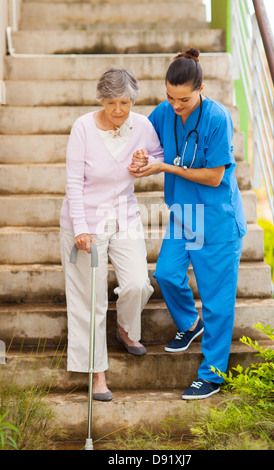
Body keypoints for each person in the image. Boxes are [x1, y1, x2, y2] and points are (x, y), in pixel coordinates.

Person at [129, 48, 247, 399]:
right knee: (165, 273)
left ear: (201, 88)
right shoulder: (165, 111)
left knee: (216, 302)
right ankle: (189, 324)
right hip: (185, 215)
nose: (175, 105)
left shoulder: (217, 117)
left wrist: (163, 168)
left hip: (217, 220)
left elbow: (213, 177)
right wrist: (142, 157)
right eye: (169, 96)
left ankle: (212, 374)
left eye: (183, 98)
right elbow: (148, 143)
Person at [60, 68, 164, 401]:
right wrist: (80, 228)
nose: (118, 110)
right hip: (86, 222)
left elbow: (158, 157)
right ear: (100, 100)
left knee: (137, 283)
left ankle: (124, 329)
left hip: (124, 216)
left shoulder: (143, 125)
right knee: (90, 300)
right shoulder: (83, 128)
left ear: (133, 100)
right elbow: (74, 182)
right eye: (110, 102)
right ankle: (97, 375)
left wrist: (144, 161)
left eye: (124, 102)